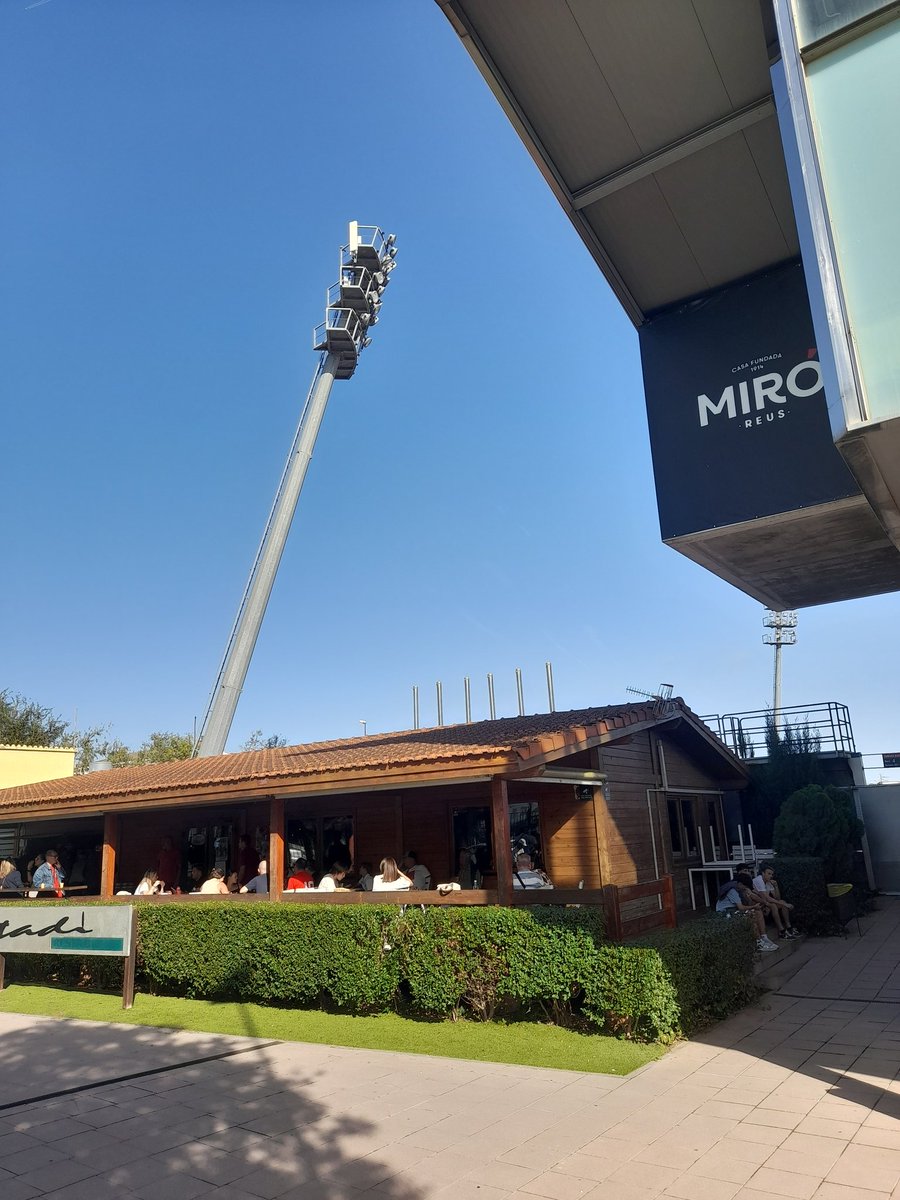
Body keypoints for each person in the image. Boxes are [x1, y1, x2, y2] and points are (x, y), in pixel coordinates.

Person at [716, 876, 778, 951]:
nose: (745, 889)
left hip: (733, 910)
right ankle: (758, 943)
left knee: (758, 912)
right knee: (751, 915)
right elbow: (741, 907)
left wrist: (749, 899)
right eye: (744, 887)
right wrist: (754, 906)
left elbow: (748, 904)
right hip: (725, 912)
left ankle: (764, 937)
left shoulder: (739, 889)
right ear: (740, 884)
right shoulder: (733, 891)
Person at [753, 864, 798, 939]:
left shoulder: (768, 882)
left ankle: (789, 928)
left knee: (782, 902)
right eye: (769, 873)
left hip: (765, 902)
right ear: (763, 873)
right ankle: (781, 931)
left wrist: (776, 886)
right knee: (775, 905)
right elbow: (767, 898)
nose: (771, 876)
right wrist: (786, 905)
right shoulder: (759, 880)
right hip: (757, 903)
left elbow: (777, 898)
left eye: (772, 874)